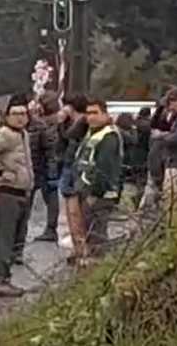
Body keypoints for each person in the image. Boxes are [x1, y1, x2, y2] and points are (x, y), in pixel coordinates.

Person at [0, 99, 33, 297]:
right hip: (9, 192)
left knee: (17, 239)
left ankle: (6, 277)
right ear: (7, 116)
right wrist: (0, 170)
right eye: (15, 114)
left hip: (22, 192)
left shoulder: (23, 135)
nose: (20, 117)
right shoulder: (6, 134)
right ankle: (1, 279)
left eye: (23, 113)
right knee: (6, 238)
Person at [72, 99, 123, 263]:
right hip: (86, 190)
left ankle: (98, 268)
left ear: (105, 114)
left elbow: (105, 168)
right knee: (90, 233)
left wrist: (94, 193)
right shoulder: (92, 132)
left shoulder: (109, 136)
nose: (90, 117)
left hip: (99, 194)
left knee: (97, 235)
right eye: (88, 113)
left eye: (95, 113)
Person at [24, 92, 61, 248]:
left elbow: (50, 150)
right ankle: (47, 229)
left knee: (44, 199)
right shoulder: (44, 123)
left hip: (41, 167)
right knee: (44, 200)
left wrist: (52, 173)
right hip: (38, 167)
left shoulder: (44, 124)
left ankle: (49, 229)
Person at [56, 94, 89, 260]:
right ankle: (75, 243)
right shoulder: (76, 122)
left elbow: (68, 136)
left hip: (73, 167)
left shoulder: (82, 122)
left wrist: (62, 121)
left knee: (74, 209)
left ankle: (78, 244)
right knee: (69, 207)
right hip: (68, 165)